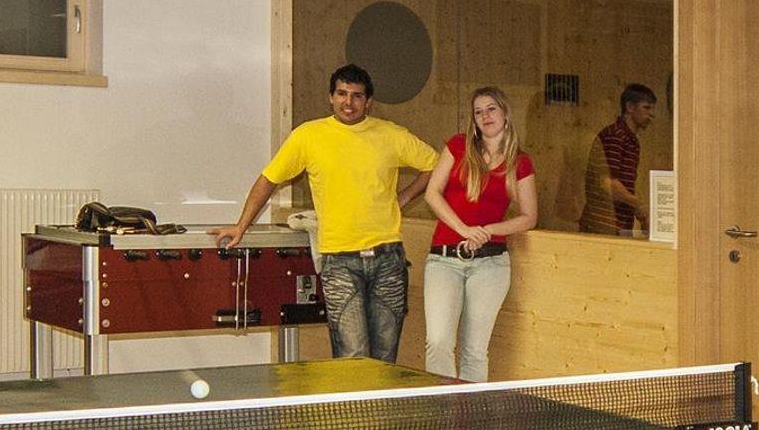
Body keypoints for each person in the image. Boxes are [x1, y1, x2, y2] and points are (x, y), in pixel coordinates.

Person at [216, 64, 436, 361]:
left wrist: (406, 196)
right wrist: (241, 226)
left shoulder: (391, 134)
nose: (349, 102)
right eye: (342, 94)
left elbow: (435, 165)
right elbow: (268, 179)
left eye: (357, 96)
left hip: (388, 259)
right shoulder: (308, 136)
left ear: (368, 102)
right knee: (352, 356)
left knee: (385, 359)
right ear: (331, 97)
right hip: (339, 261)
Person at [422, 87, 538, 381]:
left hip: (491, 264)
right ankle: (442, 406)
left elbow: (529, 217)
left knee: (474, 350)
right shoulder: (457, 146)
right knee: (438, 342)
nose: (485, 116)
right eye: (478, 112)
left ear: (505, 113)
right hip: (444, 259)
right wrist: (464, 230)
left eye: (491, 109)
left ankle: (470, 409)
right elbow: (432, 193)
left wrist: (488, 231)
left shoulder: (520, 162)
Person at [580, 83, 655, 236]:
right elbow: (607, 183)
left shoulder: (631, 140)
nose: (651, 114)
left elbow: (622, 185)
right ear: (630, 107)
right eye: (646, 108)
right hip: (602, 224)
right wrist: (638, 204)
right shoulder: (615, 136)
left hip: (620, 224)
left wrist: (640, 214)